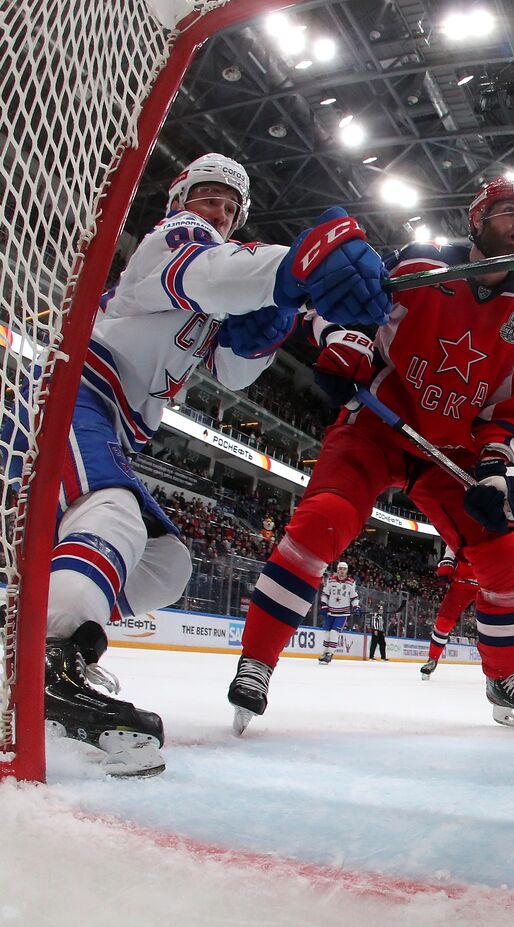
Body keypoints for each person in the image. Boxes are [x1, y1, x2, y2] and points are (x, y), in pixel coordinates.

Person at [25, 153, 389, 776]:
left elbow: (233, 368)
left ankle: (53, 633)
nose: (216, 211)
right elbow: (215, 272)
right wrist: (296, 265)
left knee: (167, 565)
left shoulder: (206, 295)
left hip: (113, 423)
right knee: (114, 516)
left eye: (228, 205)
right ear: (181, 199)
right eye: (207, 197)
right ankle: (44, 661)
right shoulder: (171, 241)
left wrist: (279, 315)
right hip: (74, 391)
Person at [227, 177, 514, 732]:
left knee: (508, 557)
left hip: (447, 451)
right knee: (325, 519)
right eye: (506, 211)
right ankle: (256, 663)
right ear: (475, 221)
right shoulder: (417, 265)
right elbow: (341, 297)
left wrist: (497, 468)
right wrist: (342, 340)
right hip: (377, 426)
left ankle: (503, 678)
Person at [420, 550, 479, 679]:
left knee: (496, 625)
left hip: (488, 583)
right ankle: (432, 659)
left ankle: (503, 670)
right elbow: (453, 543)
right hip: (462, 581)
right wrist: (448, 561)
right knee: (444, 621)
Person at [316, 560, 360, 664]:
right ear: (337, 569)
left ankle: (329, 654)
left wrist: (356, 607)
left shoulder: (351, 582)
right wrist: (324, 605)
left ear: (347, 571)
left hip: (342, 614)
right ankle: (324, 652)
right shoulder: (330, 581)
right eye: (340, 569)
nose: (342, 571)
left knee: (334, 633)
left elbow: (354, 597)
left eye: (344, 569)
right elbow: (325, 594)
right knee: (327, 634)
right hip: (330, 612)